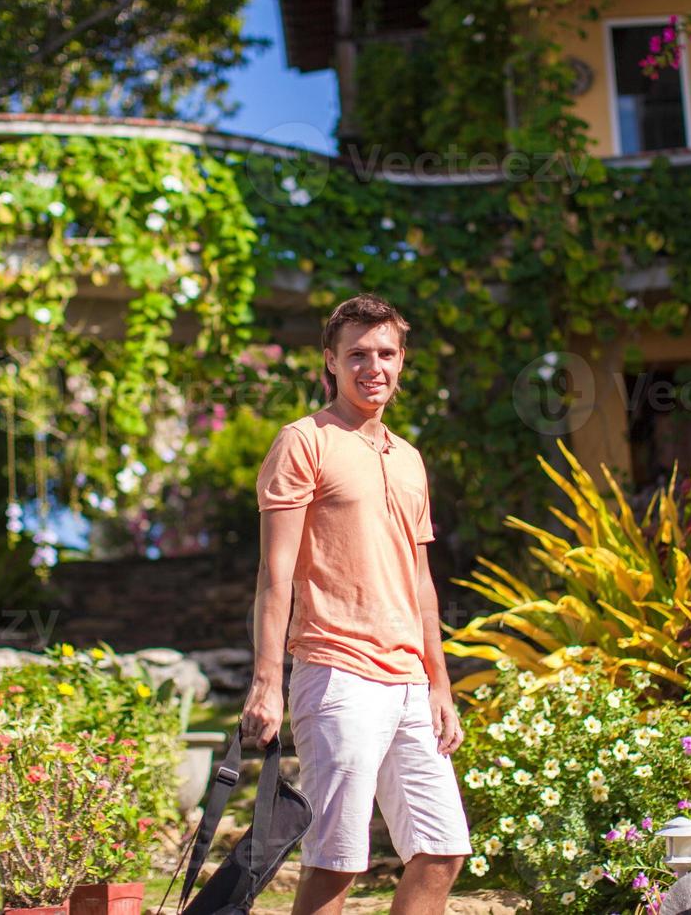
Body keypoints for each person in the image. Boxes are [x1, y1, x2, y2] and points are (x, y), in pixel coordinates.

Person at [241, 293, 471, 915]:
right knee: (335, 861)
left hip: (409, 680)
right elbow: (274, 574)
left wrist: (439, 683)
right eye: (358, 354)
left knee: (444, 848)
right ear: (331, 363)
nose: (374, 366)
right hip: (336, 671)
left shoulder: (410, 458)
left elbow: (419, 582)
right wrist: (267, 682)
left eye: (387, 353)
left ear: (403, 361)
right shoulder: (303, 442)